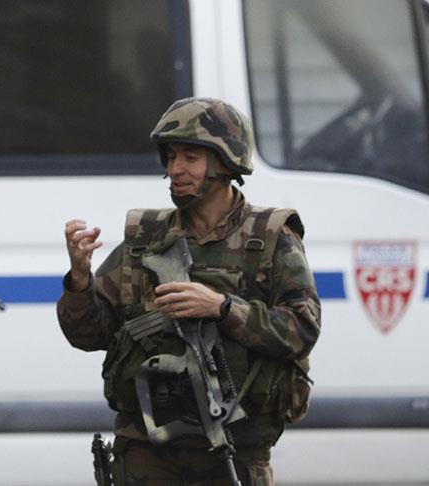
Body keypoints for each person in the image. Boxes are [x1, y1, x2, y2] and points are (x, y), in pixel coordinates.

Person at [58, 97, 321, 485]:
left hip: (233, 447)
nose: (175, 169)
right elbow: (88, 335)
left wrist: (223, 308)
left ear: (226, 162)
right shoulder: (146, 239)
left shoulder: (269, 238)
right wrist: (80, 280)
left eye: (191, 158)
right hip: (148, 449)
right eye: (171, 157)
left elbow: (302, 328)